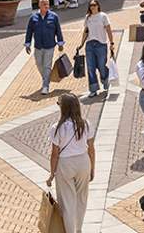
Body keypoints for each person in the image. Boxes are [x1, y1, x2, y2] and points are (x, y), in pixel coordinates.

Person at [46, 92, 95, 233]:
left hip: (65, 164)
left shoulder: (57, 128)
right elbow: (91, 149)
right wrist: (92, 169)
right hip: (83, 162)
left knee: (67, 203)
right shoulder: (85, 124)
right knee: (81, 199)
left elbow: (54, 154)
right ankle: (79, 229)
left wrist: (51, 174)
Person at [25, 0, 66, 96]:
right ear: (39, 5)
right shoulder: (33, 18)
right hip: (38, 46)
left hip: (50, 46)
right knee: (39, 64)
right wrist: (28, 44)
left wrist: (60, 43)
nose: (46, 6)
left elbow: (58, 31)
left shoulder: (54, 17)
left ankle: (45, 86)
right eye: (44, 4)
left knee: (47, 66)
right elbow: (29, 31)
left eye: (47, 4)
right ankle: (46, 79)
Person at [77, 0, 116, 99]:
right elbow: (86, 31)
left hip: (101, 44)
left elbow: (108, 30)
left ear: (98, 6)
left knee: (102, 66)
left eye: (94, 5)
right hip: (90, 45)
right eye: (91, 5)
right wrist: (81, 44)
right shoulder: (87, 17)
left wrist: (112, 42)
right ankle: (93, 89)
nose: (92, 7)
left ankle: (105, 81)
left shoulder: (103, 16)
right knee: (91, 68)